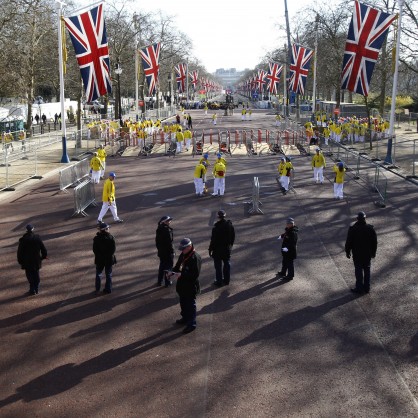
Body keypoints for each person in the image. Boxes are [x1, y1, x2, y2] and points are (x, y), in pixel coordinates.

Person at [170, 238, 202, 334]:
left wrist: (182, 275)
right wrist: (171, 272)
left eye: (184, 248)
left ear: (189, 247)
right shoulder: (183, 254)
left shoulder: (195, 258)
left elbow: (195, 275)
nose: (182, 251)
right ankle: (185, 318)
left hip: (190, 286)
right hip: (182, 285)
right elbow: (177, 266)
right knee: (183, 303)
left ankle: (191, 324)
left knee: (190, 305)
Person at [345, 211, 377, 294]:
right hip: (367, 254)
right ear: (365, 218)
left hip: (357, 254)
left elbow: (349, 241)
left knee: (358, 270)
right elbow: (374, 242)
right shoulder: (370, 228)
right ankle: (367, 287)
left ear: (357, 219)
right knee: (367, 270)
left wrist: (347, 251)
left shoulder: (353, 229)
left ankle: (359, 288)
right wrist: (373, 252)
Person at [17, 224, 48, 295]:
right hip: (36, 260)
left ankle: (32, 289)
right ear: (33, 229)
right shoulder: (37, 238)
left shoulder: (23, 240)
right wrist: (43, 256)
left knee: (29, 275)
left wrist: (20, 261)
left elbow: (19, 252)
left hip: (27, 261)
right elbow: (43, 249)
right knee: (36, 274)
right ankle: (36, 288)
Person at [209, 210, 235, 286]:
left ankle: (219, 281)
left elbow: (213, 240)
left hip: (217, 250)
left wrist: (210, 249)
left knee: (218, 266)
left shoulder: (216, 227)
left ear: (218, 217)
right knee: (227, 264)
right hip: (226, 248)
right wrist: (230, 246)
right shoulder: (230, 225)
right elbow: (233, 237)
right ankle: (227, 280)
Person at [93, 222, 116, 294]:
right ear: (105, 229)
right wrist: (108, 255)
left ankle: (97, 288)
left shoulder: (96, 239)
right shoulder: (111, 237)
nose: (109, 229)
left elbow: (95, 250)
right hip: (108, 259)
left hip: (99, 259)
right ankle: (108, 289)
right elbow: (113, 249)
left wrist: (99, 255)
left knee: (98, 273)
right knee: (108, 274)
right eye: (108, 228)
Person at [155, 215, 175, 287]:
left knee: (162, 266)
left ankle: (159, 281)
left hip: (161, 252)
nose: (170, 221)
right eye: (169, 220)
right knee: (169, 267)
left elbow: (157, 242)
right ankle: (167, 282)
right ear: (165, 222)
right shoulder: (167, 231)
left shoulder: (159, 229)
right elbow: (170, 243)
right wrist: (172, 252)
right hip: (168, 253)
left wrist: (159, 250)